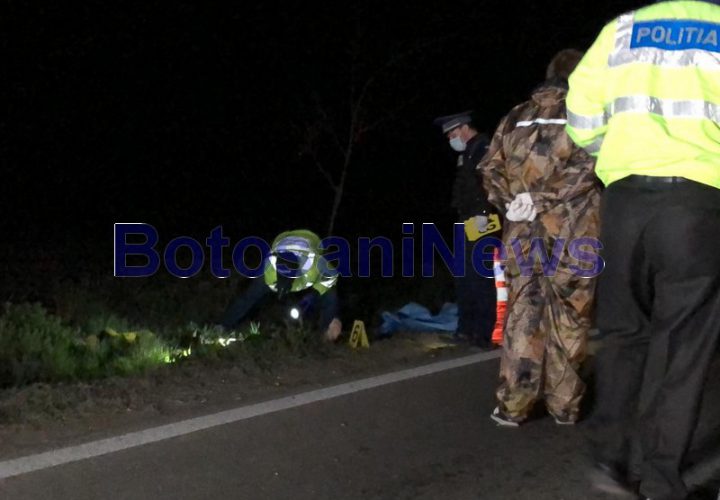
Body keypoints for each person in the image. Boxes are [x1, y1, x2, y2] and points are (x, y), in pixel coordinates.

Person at [566, 2, 720, 498]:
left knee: (622, 333)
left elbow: (581, 117)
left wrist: (618, 153)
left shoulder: (621, 28)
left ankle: (609, 458)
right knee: (683, 346)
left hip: (625, 199)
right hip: (698, 201)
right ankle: (661, 480)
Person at [478, 49, 602, 427]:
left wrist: (510, 202)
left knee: (523, 314)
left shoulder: (514, 116)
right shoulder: (587, 114)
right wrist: (542, 200)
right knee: (569, 315)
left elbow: (489, 168)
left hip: (522, 232)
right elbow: (591, 167)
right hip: (574, 232)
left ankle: (514, 405)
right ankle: (564, 405)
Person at [433, 111, 499, 350]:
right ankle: (465, 330)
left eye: (453, 134)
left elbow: (491, 183)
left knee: (480, 277)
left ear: (464, 128)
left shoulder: (484, 147)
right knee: (463, 276)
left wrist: (484, 212)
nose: (451, 139)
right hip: (466, 220)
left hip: (483, 220)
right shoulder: (467, 152)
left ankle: (483, 334)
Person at [221, 229, 342, 341]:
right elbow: (248, 298)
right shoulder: (268, 271)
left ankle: (324, 336)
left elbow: (331, 280)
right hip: (282, 239)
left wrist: (331, 316)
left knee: (327, 296)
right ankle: (222, 325)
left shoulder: (314, 268)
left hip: (313, 240)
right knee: (251, 295)